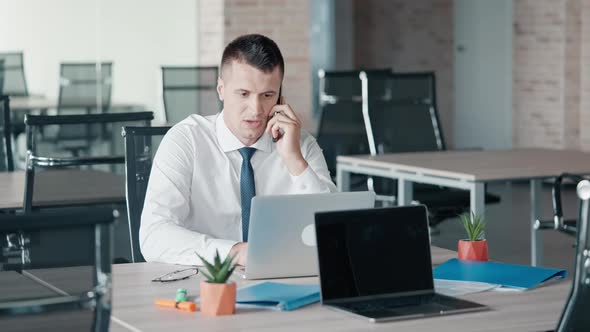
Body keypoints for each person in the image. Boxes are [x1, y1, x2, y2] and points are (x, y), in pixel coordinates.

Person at [140, 34, 336, 266]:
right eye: (243, 94)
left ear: (281, 97)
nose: (256, 109)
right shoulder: (186, 140)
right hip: (206, 282)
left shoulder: (300, 144)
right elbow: (154, 236)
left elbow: (333, 233)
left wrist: (294, 159)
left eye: (267, 95)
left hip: (285, 280)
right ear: (221, 90)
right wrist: (237, 253)